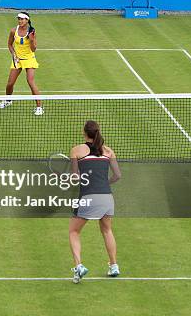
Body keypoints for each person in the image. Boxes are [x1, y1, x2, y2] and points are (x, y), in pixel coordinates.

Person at [68, 121, 122, 283]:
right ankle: (114, 266)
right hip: (107, 198)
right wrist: (104, 183)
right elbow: (117, 176)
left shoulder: (76, 150)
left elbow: (75, 177)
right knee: (107, 231)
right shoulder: (108, 151)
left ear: (84, 132)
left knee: (74, 232)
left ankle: (79, 266)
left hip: (88, 197)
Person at [0, 12, 43, 115]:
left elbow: (33, 49)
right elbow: (9, 44)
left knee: (30, 81)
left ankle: (39, 107)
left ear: (27, 20)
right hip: (17, 59)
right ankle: (8, 101)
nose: (20, 21)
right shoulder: (13, 31)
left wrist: (31, 40)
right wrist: (14, 55)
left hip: (29, 58)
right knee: (10, 83)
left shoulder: (32, 32)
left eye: (22, 19)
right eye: (19, 19)